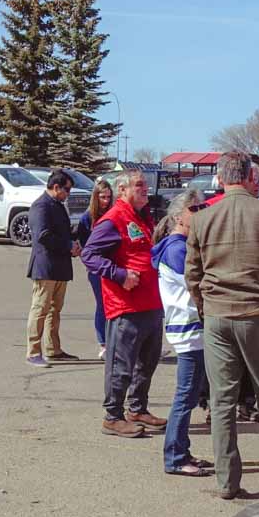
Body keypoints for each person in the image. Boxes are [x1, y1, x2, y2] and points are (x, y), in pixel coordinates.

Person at [186, 151, 259, 500]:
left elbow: (192, 274)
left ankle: (227, 482)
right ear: (251, 177)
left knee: (222, 403)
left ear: (220, 179)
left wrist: (207, 309)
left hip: (219, 317)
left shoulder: (202, 219)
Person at [83, 169, 168, 438]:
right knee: (121, 366)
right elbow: (89, 255)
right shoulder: (113, 219)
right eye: (139, 185)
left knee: (147, 362)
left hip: (150, 304)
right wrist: (120, 275)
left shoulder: (143, 217)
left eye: (145, 185)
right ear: (122, 190)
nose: (145, 189)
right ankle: (113, 416)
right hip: (126, 307)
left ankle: (137, 409)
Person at [154, 190, 213, 477]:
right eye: (194, 209)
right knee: (185, 396)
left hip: (194, 330)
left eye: (202, 207)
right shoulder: (177, 249)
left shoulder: (186, 245)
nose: (200, 213)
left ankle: (182, 451)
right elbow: (196, 284)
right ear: (179, 216)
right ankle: (175, 457)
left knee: (189, 395)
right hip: (187, 331)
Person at [26, 169, 78, 365]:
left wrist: (75, 243)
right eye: (67, 190)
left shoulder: (57, 205)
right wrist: (68, 245)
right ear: (56, 187)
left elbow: (63, 232)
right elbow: (43, 235)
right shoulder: (41, 206)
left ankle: (52, 349)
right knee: (40, 309)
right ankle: (33, 352)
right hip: (45, 267)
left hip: (60, 267)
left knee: (55, 310)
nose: (68, 194)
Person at [72, 176, 117, 358]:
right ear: (96, 197)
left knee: (115, 305)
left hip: (113, 266)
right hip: (96, 269)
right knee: (102, 304)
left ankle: (115, 342)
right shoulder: (87, 218)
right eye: (102, 197)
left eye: (108, 197)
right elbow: (84, 246)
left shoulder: (113, 214)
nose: (106, 201)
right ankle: (103, 343)